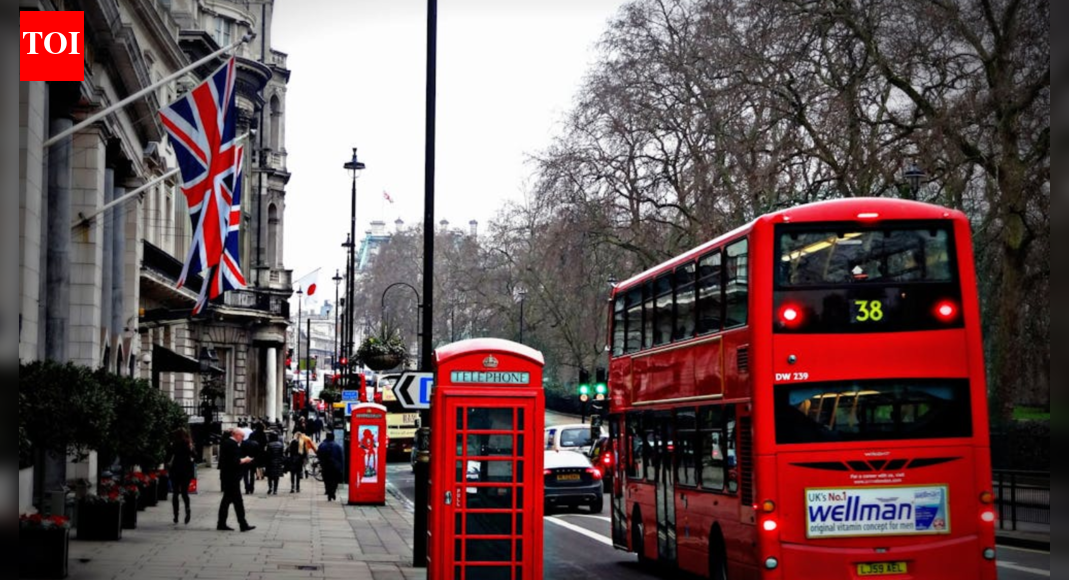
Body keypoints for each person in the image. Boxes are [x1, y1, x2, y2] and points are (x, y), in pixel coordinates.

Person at [217, 428, 256, 532]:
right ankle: (242, 524)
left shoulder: (228, 443)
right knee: (237, 502)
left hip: (229, 477)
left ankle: (223, 523)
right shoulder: (231, 444)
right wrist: (245, 460)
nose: (242, 438)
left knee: (227, 501)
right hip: (231, 477)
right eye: (242, 436)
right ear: (236, 435)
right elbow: (234, 461)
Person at [165, 428, 196, 525]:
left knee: (175, 493)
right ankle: (187, 509)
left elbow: (167, 457)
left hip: (175, 470)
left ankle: (176, 515)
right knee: (184, 493)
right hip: (186, 471)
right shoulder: (188, 444)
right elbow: (195, 456)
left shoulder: (173, 444)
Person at [316, 432, 345, 502]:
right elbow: (341, 457)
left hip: (325, 465)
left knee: (327, 479)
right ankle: (333, 491)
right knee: (335, 480)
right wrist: (341, 467)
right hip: (335, 466)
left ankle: (328, 491)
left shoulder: (322, 445)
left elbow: (318, 454)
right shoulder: (337, 446)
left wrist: (321, 462)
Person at [240, 428, 262, 495]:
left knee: (245, 475)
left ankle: (246, 488)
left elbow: (241, 452)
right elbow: (258, 453)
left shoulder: (244, 443)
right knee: (252, 475)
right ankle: (252, 488)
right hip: (253, 461)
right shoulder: (256, 443)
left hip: (245, 460)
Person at [264, 431, 285, 495]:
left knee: (270, 476)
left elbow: (267, 454)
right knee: (276, 477)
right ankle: (275, 490)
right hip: (278, 462)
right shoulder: (280, 444)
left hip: (270, 462)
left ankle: (270, 488)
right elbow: (282, 454)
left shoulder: (269, 445)